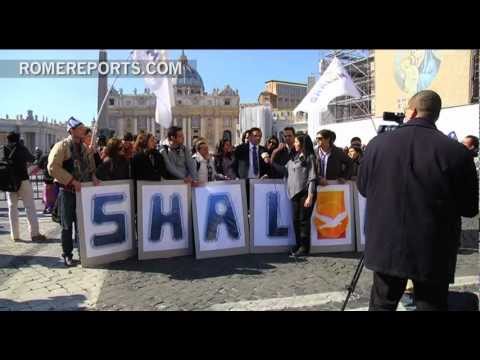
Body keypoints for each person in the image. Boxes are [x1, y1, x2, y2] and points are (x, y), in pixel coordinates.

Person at [357, 90, 479, 311]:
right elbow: (470, 208)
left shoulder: (376, 144)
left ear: (411, 111)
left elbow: (364, 189)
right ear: (435, 115)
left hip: (386, 242)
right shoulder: (458, 152)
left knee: (382, 306)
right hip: (433, 247)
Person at [48, 117, 100, 267]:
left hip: (82, 192)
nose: (83, 130)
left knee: (82, 224)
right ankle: (67, 254)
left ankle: (82, 253)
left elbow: (91, 168)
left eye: (83, 128)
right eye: (80, 128)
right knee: (67, 225)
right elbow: (53, 167)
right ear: (71, 130)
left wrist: (94, 176)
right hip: (67, 191)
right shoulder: (62, 146)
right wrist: (72, 181)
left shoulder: (84, 148)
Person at [269, 134, 317, 256]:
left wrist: (310, 196)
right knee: (295, 220)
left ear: (302, 144)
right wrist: (271, 161)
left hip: (305, 193)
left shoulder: (310, 158)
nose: (294, 144)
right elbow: (284, 170)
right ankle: (298, 244)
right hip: (294, 194)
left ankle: (304, 247)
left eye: (296, 142)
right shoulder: (293, 158)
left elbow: (312, 178)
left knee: (303, 221)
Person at [2, 132, 47, 242]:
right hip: (22, 180)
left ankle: (15, 235)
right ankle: (34, 234)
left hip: (9, 183)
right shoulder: (21, 148)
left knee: (12, 208)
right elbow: (32, 159)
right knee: (29, 207)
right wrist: (37, 154)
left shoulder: (3, 149)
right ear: (18, 139)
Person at [232, 127, 269, 206]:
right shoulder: (240, 149)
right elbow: (233, 165)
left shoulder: (264, 150)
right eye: (255, 136)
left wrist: (266, 174)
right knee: (245, 206)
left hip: (259, 182)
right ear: (250, 137)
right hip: (244, 182)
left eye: (260, 136)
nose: (258, 138)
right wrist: (236, 177)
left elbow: (268, 167)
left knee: (258, 205)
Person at [37, 144, 58, 214]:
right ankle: (52, 207)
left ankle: (48, 207)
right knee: (54, 194)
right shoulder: (58, 155)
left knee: (46, 194)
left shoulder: (44, 156)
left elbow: (39, 166)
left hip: (47, 178)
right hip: (56, 178)